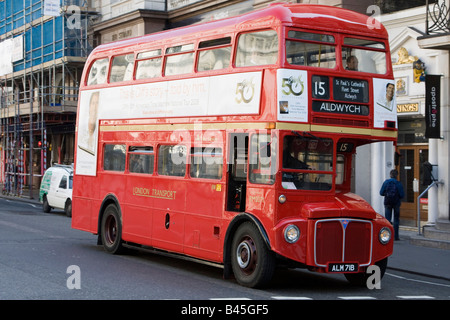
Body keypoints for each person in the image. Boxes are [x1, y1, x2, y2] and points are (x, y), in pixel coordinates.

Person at [379, 169, 404, 240]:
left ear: (390, 175)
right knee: (396, 219)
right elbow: (402, 195)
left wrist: (387, 194)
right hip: (396, 203)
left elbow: (381, 193)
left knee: (387, 220)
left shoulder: (386, 182)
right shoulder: (398, 183)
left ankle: (387, 236)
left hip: (387, 203)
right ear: (397, 175)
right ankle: (396, 236)